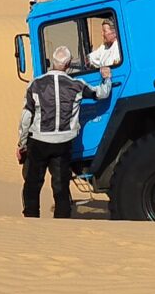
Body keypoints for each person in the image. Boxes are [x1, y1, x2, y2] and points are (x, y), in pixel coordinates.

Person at [17, 46, 107, 219]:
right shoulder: (77, 85)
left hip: (39, 141)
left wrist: (22, 143)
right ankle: (62, 220)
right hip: (63, 143)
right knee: (61, 185)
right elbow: (101, 93)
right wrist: (107, 78)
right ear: (68, 64)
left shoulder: (36, 84)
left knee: (32, 183)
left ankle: (30, 218)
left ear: (53, 61)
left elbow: (26, 117)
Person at [86, 16, 122, 81]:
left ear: (114, 33)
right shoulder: (104, 47)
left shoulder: (118, 48)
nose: (102, 34)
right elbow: (90, 58)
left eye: (104, 31)